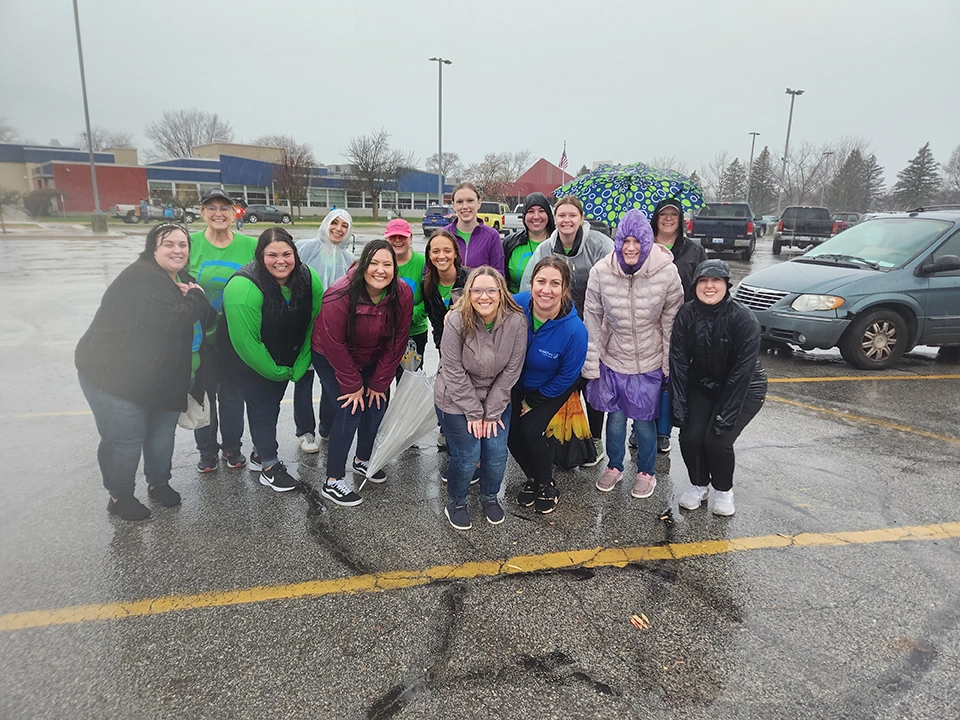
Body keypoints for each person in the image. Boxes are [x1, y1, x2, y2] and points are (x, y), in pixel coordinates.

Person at [76, 223, 217, 521]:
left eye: (183, 244)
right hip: (116, 377)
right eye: (168, 244)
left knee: (161, 434)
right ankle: (120, 496)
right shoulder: (141, 278)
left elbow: (205, 316)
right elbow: (174, 322)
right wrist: (196, 297)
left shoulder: (182, 277)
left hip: (163, 378)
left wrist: (197, 299)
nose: (177, 250)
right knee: (125, 439)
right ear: (152, 248)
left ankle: (159, 483)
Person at [583, 209, 683, 501]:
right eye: (624, 241)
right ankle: (614, 466)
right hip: (613, 357)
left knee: (643, 421)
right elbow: (592, 317)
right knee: (614, 419)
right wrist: (592, 362)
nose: (630, 247)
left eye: (637, 241)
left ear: (647, 242)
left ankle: (646, 472)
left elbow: (671, 321)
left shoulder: (666, 272)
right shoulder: (601, 271)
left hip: (648, 360)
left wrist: (668, 364)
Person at [219, 228, 324, 491]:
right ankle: (269, 466)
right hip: (247, 360)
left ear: (295, 254)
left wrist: (301, 361)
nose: (281, 261)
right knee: (263, 407)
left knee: (271, 405)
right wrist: (276, 371)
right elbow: (247, 344)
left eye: (286, 254)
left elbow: (315, 323)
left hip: (286, 354)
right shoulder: (243, 286)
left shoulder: (309, 278)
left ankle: (258, 453)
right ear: (260, 255)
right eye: (272, 255)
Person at [311, 239, 412, 507]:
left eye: (387, 264)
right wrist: (352, 385)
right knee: (350, 409)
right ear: (363, 264)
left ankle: (362, 459)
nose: (380, 270)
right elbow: (334, 344)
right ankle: (333, 480)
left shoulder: (402, 292)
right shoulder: (339, 293)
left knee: (377, 402)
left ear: (395, 268)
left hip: (373, 353)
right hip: (331, 356)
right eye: (374, 263)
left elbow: (398, 339)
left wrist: (379, 382)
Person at [670, 259, 767, 516]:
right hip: (703, 385)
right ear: (695, 285)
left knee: (717, 439)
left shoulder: (743, 318)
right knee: (690, 436)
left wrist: (725, 414)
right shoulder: (686, 314)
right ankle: (699, 485)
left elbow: (742, 372)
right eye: (703, 281)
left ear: (727, 285)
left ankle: (724, 490)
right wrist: (678, 404)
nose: (709, 286)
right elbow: (678, 361)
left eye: (716, 280)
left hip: (745, 388)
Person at [520, 196, 612, 465]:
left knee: (591, 383)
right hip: (558, 326)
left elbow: (614, 278)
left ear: (582, 219)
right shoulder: (546, 247)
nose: (566, 220)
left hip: (594, 325)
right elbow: (529, 284)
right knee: (565, 383)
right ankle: (561, 437)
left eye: (572, 215)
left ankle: (595, 438)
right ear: (555, 218)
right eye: (561, 215)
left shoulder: (599, 244)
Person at [435, 267, 527, 530]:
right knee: (468, 452)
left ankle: (489, 496)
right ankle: (457, 501)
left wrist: (492, 412)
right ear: (469, 293)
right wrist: (475, 412)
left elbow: (512, 370)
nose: (483, 296)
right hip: (455, 397)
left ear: (501, 293)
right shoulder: (456, 320)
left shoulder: (516, 322)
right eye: (477, 290)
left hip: (496, 395)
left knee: (496, 451)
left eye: (490, 290)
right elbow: (452, 369)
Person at [509, 256, 588, 514]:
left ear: (564, 289)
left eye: (555, 283)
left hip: (551, 385)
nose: (546, 289)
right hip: (515, 380)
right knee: (509, 432)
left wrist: (533, 401)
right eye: (541, 281)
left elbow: (568, 375)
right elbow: (483, 305)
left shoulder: (574, 330)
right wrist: (455, 312)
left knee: (531, 431)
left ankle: (547, 484)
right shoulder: (516, 304)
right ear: (531, 283)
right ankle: (532, 478)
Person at [189, 188, 258, 473]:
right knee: (203, 394)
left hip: (233, 336)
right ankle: (206, 450)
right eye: (211, 207)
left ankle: (232, 446)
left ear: (234, 212)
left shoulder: (249, 246)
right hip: (200, 337)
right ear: (202, 212)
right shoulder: (190, 244)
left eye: (224, 208)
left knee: (232, 395)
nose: (218, 213)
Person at [641, 197, 708, 454]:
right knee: (646, 377)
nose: (668, 219)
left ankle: (663, 431)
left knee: (670, 378)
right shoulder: (643, 247)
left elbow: (703, 284)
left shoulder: (694, 251)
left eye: (673, 215)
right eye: (663, 214)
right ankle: (641, 424)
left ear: (681, 220)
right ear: (655, 219)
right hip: (646, 324)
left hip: (681, 325)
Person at [293, 209, 355, 451]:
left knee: (331, 378)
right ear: (326, 223)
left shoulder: (349, 259)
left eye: (344, 225)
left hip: (333, 328)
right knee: (303, 377)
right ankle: (305, 431)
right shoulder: (306, 249)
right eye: (334, 223)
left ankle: (327, 427)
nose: (338, 229)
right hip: (304, 324)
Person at [385, 217, 428, 381]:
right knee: (382, 379)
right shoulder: (380, 262)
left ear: (410, 238)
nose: (397, 240)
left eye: (402, 236)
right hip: (385, 333)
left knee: (409, 381)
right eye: (393, 236)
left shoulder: (422, 263)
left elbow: (429, 300)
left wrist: (407, 316)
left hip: (415, 333)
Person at [424, 230, 470, 351]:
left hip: (471, 347)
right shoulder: (427, 285)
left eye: (447, 251)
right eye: (435, 251)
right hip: (444, 348)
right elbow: (434, 319)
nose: (441, 256)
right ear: (429, 255)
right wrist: (439, 341)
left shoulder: (471, 280)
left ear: (455, 253)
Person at [444, 182, 505, 275]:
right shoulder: (443, 235)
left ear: (479, 203)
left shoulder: (491, 236)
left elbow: (498, 275)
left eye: (470, 201)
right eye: (459, 202)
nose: (465, 206)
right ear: (453, 205)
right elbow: (430, 273)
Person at [502, 192, 555, 294]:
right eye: (531, 211)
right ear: (524, 216)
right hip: (515, 302)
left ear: (548, 215)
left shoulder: (558, 243)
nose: (536, 216)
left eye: (541, 211)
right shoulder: (510, 243)